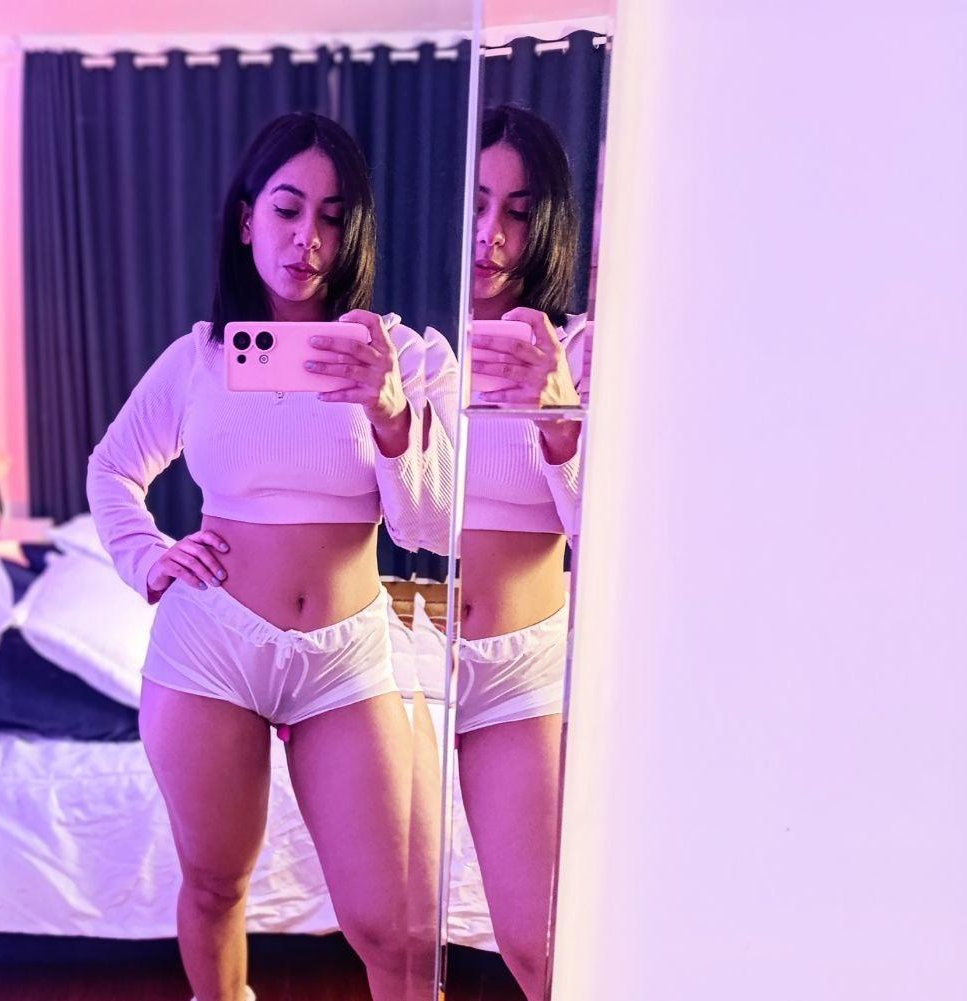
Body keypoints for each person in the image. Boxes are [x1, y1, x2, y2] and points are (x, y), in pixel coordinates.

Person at [87, 111, 449, 1001]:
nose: (307, 238)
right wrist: (148, 556)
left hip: (349, 656)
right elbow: (112, 468)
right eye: (287, 209)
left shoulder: (402, 357)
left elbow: (431, 527)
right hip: (210, 650)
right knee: (216, 886)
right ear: (248, 219)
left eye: (332, 216)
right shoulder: (201, 359)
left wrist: (390, 414)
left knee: (398, 929)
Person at [424, 104, 590, 1000]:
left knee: (538, 947)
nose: (491, 233)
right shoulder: (413, 350)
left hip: (524, 668)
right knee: (393, 938)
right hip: (409, 659)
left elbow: (612, 540)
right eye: (476, 204)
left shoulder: (583, 352)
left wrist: (560, 418)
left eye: (518, 212)